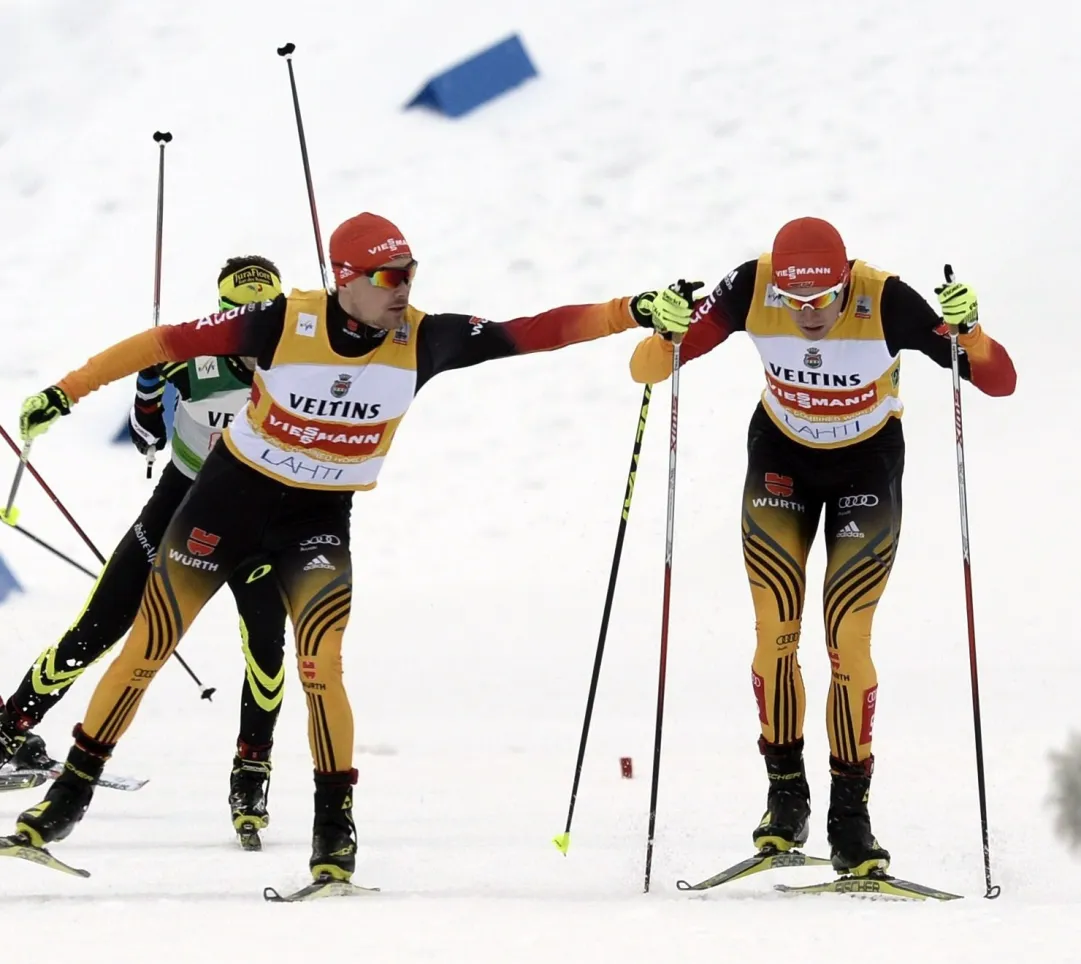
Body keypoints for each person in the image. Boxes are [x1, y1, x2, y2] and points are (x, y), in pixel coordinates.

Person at [10, 211, 664, 886]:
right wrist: (66, 392)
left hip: (315, 520)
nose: (401, 288)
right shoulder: (279, 322)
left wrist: (631, 310)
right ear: (343, 279)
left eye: (409, 273)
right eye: (386, 276)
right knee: (149, 640)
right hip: (228, 500)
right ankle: (64, 803)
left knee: (320, 663)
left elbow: (532, 331)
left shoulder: (425, 337)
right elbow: (157, 342)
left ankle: (333, 832)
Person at [629, 217, 1016, 877]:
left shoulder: (886, 298)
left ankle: (849, 816)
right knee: (775, 630)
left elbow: (997, 381)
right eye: (792, 299)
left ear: (845, 279)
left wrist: (970, 331)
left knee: (847, 639)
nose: (807, 314)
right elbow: (647, 369)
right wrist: (665, 328)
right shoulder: (751, 286)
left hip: (865, 469)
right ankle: (785, 798)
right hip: (780, 460)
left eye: (822, 298)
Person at [0, 257, 289, 850]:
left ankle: (250, 777)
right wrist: (149, 386)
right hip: (180, 503)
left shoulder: (300, 368)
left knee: (266, 646)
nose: (252, 325)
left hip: (260, 517)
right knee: (99, 627)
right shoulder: (193, 360)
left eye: (264, 312)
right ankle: (7, 732)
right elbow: (147, 438)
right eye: (240, 312)